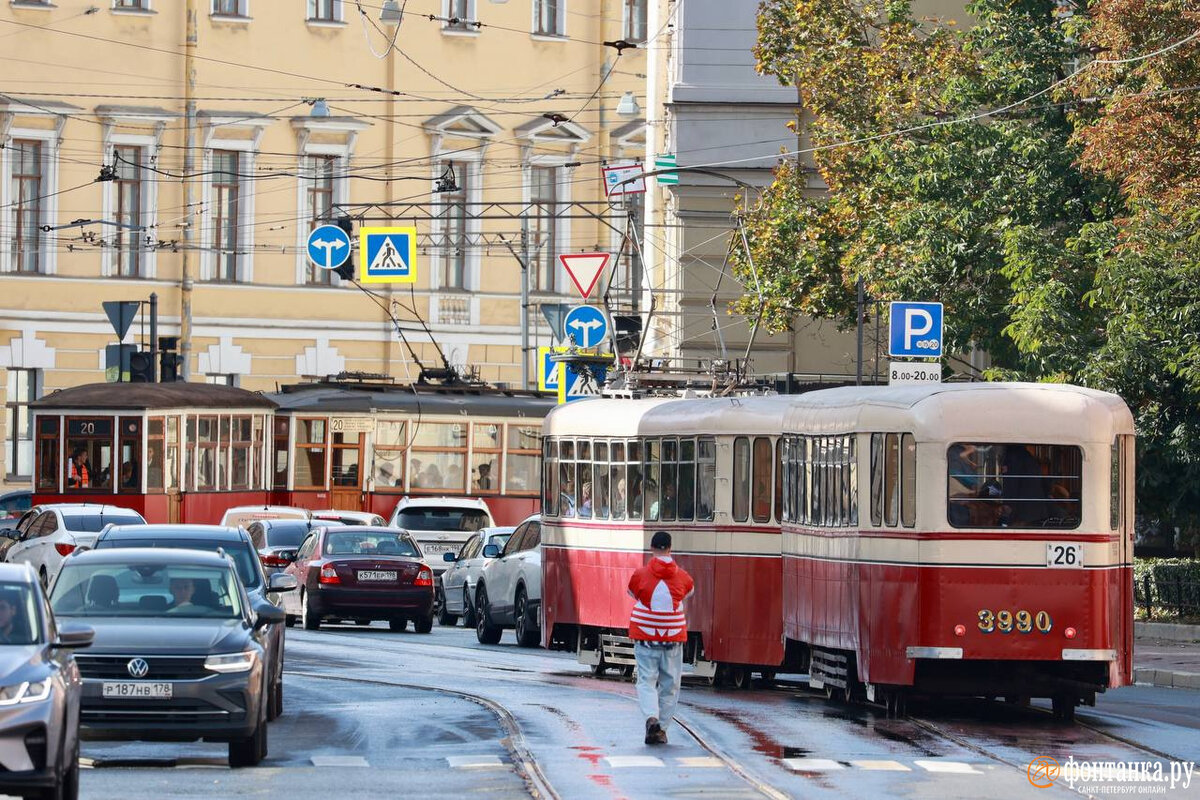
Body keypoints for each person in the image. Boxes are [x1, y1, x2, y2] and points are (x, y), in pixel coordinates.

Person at [628, 531, 694, 745]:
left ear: (652, 548)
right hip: (672, 637)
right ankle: (661, 729)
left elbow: (632, 593)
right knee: (670, 685)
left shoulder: (640, 575)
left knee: (646, 680)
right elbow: (688, 593)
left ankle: (651, 718)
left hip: (645, 635)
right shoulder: (683, 577)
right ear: (670, 548)